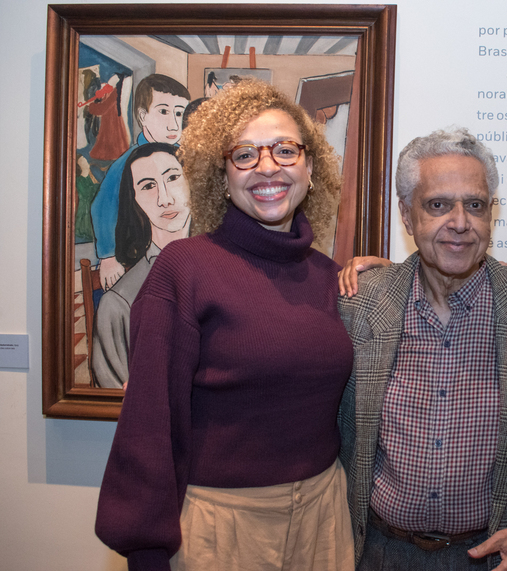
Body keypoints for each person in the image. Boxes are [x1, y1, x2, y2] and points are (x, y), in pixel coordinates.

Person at [96, 79, 354, 571]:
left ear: (311, 166)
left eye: (284, 150)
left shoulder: (328, 275)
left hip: (325, 518)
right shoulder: (184, 268)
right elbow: (150, 419)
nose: (267, 167)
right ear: (222, 174)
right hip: (220, 527)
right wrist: (146, 553)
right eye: (244, 155)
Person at [337, 127, 507, 571]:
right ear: (408, 217)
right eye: (439, 205)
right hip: (378, 554)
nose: (460, 222)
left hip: (493, 557)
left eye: (475, 205)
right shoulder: (358, 306)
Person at [92, 143, 191, 389]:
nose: (165, 199)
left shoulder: (230, 270)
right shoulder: (118, 304)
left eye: (173, 178)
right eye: (148, 186)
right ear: (133, 200)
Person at [91, 74, 190, 290]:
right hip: (135, 257)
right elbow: (102, 206)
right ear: (143, 116)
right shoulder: (130, 163)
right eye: (163, 111)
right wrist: (108, 257)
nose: (173, 123)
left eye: (180, 113)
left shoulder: (185, 158)